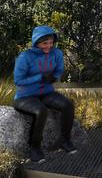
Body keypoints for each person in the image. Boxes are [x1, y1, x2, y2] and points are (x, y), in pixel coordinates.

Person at [13, 25, 77, 163]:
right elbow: (18, 80)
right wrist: (39, 78)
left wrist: (55, 77)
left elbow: (59, 70)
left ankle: (64, 141)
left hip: (46, 93)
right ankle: (34, 148)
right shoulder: (25, 57)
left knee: (68, 105)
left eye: (51, 43)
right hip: (25, 96)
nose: (48, 46)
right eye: (44, 43)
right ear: (36, 42)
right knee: (41, 111)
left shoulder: (57, 53)